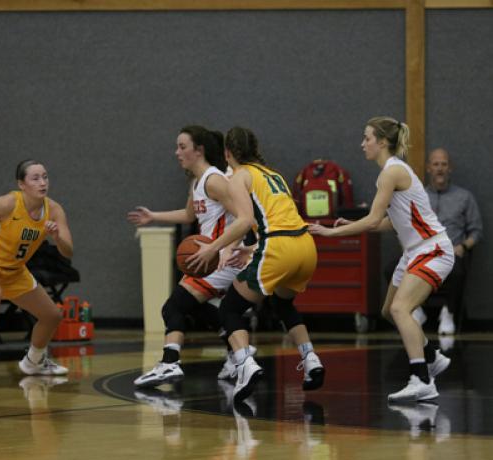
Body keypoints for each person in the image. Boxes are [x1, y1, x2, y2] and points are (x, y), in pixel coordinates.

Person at [309, 117, 455, 403]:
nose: (362, 144)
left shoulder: (392, 171)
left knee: (402, 309)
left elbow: (373, 219)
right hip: (415, 251)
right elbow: (389, 221)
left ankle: (422, 379)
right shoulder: (390, 173)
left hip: (433, 248)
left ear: (383, 142)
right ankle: (431, 357)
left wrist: (330, 232)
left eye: (367, 138)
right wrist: (346, 225)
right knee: (389, 311)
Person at [189, 126, 325, 403]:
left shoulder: (239, 176)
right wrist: (251, 249)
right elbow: (278, 223)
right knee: (283, 303)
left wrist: (213, 248)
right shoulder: (274, 175)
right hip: (305, 247)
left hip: (280, 248)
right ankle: (310, 359)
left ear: (227, 153)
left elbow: (242, 221)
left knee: (230, 308)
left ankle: (244, 365)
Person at [128, 125, 255, 388]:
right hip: (209, 257)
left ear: (199, 151)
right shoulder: (197, 182)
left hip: (220, 258)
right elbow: (189, 216)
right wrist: (154, 217)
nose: (177, 152)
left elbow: (246, 218)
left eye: (182, 147)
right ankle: (237, 352)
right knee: (195, 307)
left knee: (173, 307)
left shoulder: (215, 180)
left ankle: (169, 363)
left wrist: (238, 249)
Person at [0, 160, 73, 375]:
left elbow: (68, 252)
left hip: (15, 271)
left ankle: (34, 361)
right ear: (22, 184)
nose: (42, 182)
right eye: (35, 178)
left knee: (52, 316)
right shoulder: (8, 203)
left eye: (45, 177)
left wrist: (57, 238)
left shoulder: (54, 210)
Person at [411, 148, 482, 335]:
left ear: (450, 168)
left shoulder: (464, 197)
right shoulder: (419, 197)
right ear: (428, 168)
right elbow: (409, 229)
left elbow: (476, 231)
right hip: (424, 255)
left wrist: (464, 246)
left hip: (451, 252)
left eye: (444, 164)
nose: (440, 168)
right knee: (391, 269)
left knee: (458, 272)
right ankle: (416, 310)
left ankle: (448, 313)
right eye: (435, 164)